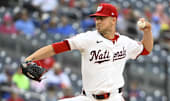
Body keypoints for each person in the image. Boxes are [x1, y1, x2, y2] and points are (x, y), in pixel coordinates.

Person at [24, 3, 153, 101]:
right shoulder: (88, 38)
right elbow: (56, 47)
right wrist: (30, 58)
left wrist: (147, 31)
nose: (98, 21)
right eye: (97, 18)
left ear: (113, 20)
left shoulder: (125, 42)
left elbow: (146, 49)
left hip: (114, 97)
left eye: (102, 18)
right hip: (88, 98)